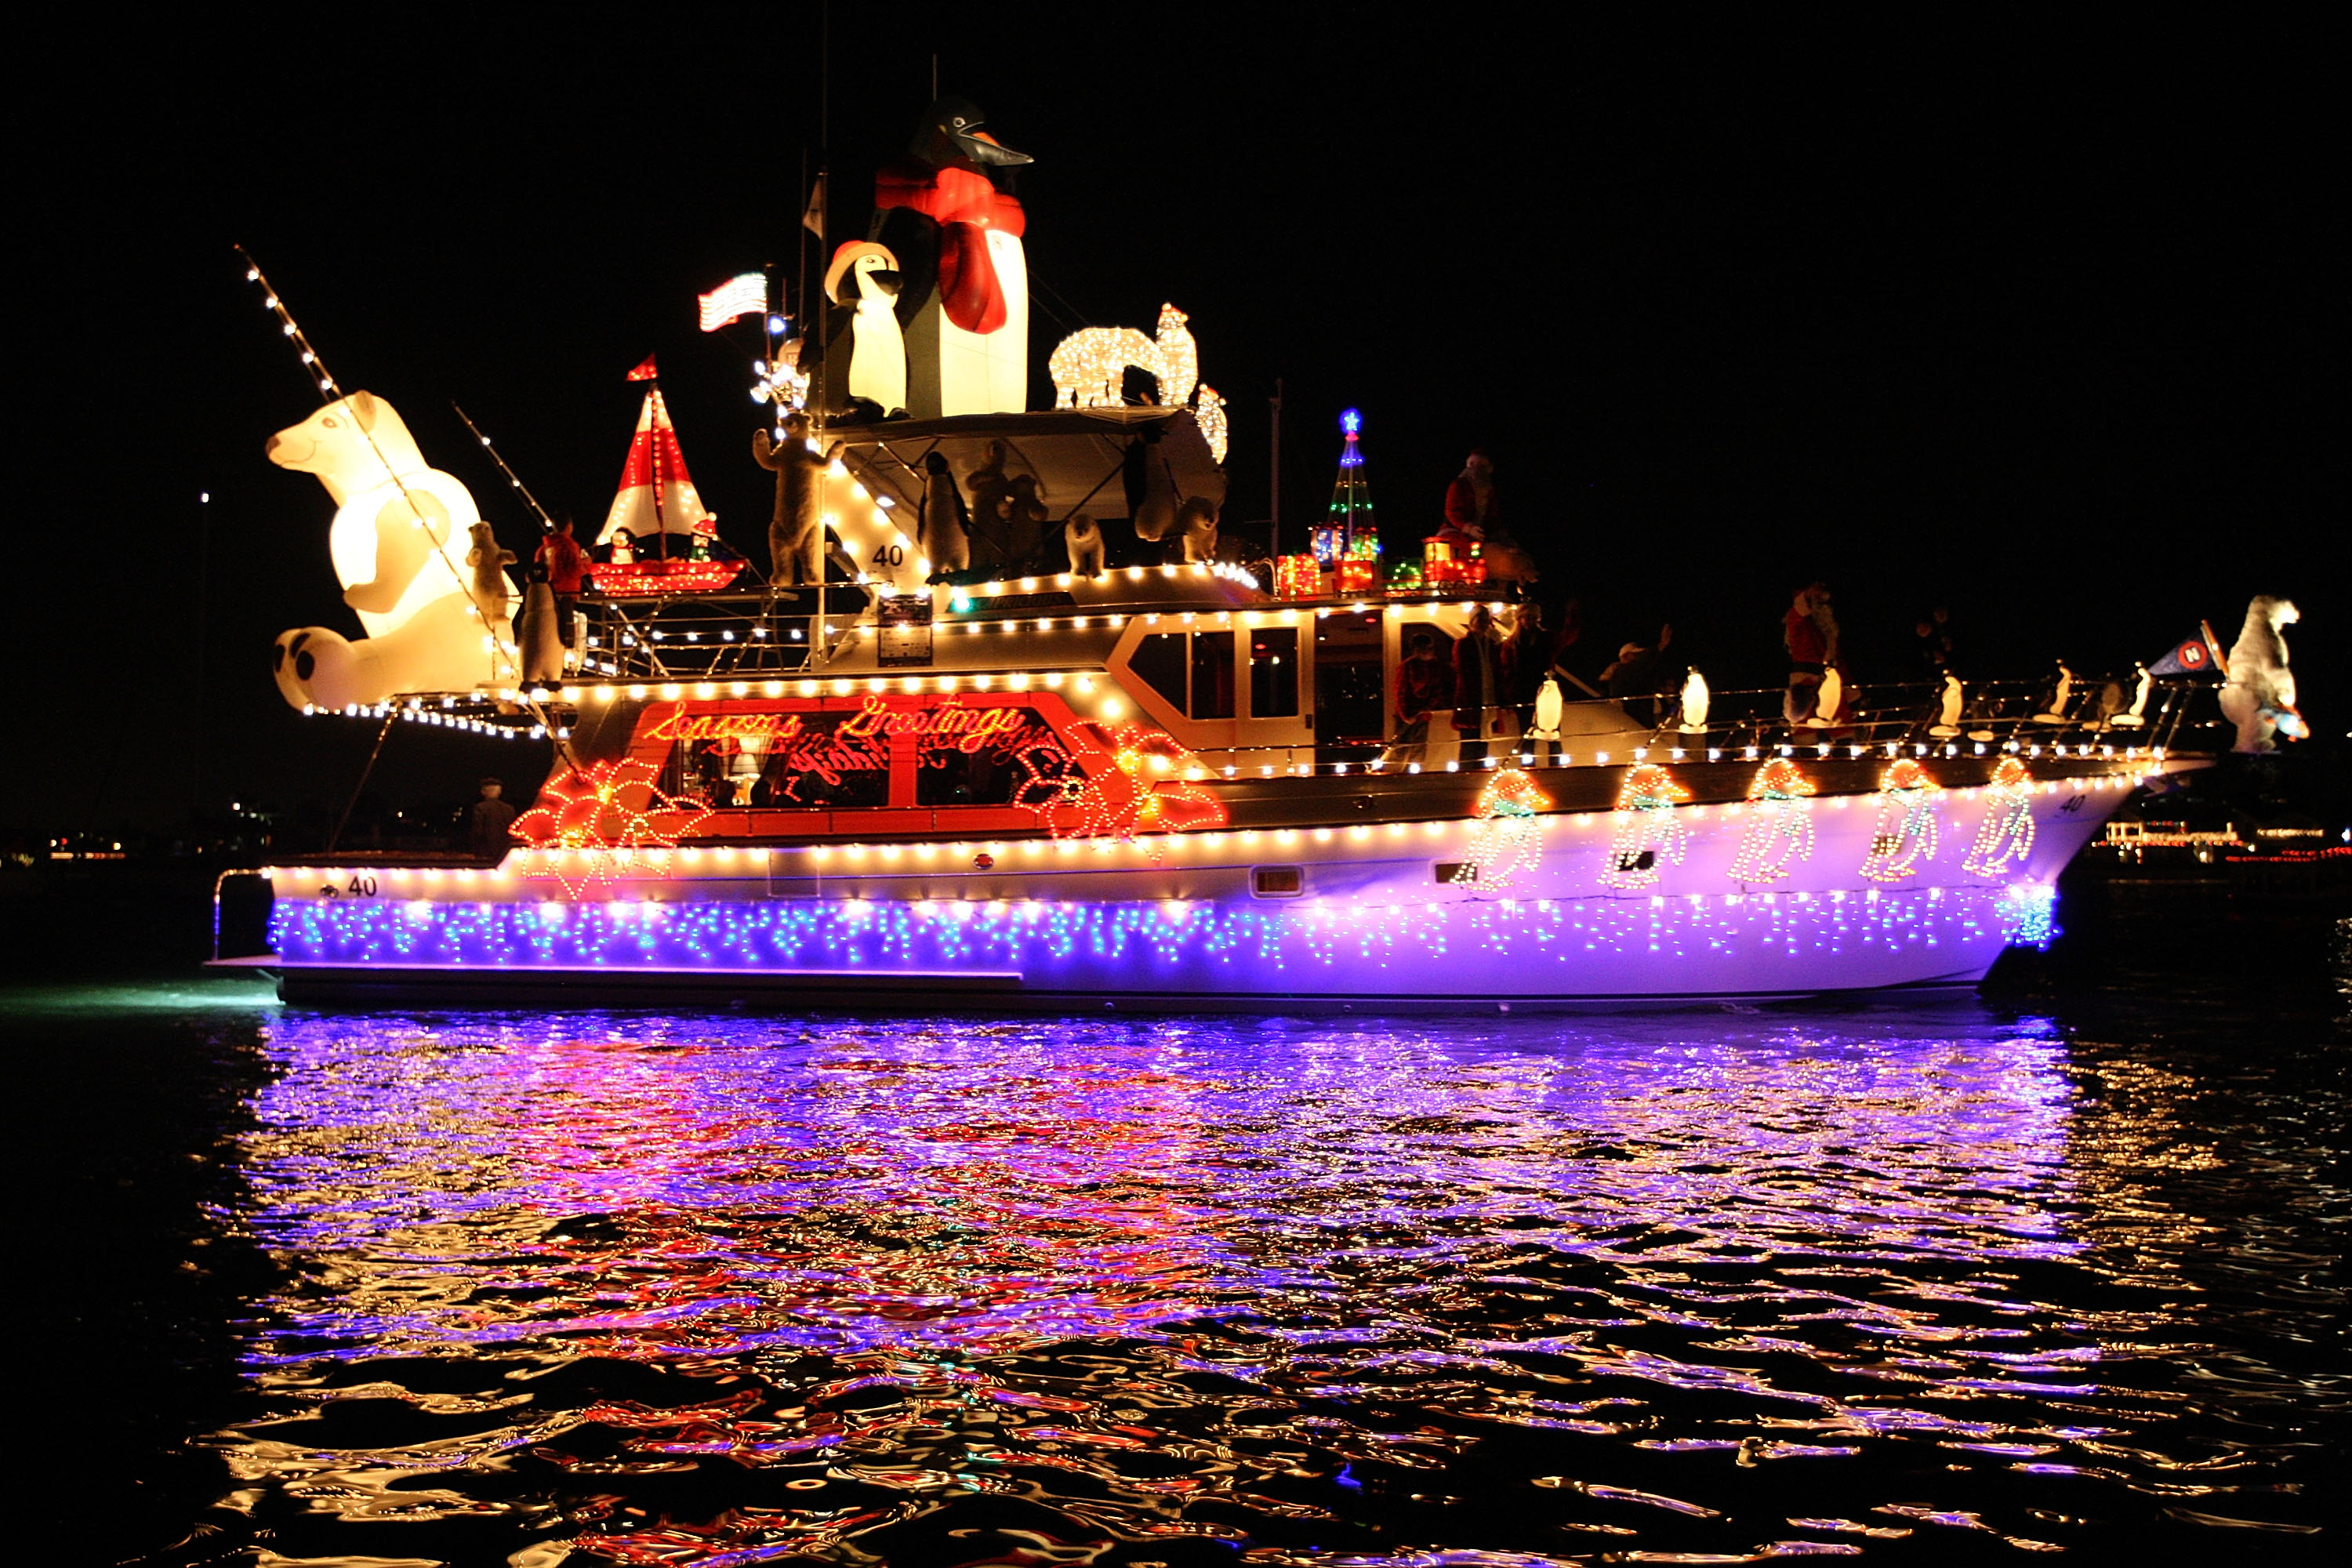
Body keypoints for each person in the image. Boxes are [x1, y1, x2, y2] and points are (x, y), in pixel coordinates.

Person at [1385, 630, 1456, 767]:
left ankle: (1414, 775)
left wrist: (1428, 707)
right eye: (1428, 648)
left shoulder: (1435, 666)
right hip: (1407, 716)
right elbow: (1400, 691)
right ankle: (1399, 775)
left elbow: (1437, 688)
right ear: (1417, 650)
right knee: (1401, 749)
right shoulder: (1407, 667)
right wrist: (1405, 715)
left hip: (1423, 715)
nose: (1431, 651)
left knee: (1418, 749)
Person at [1453, 605, 1507, 761]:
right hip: (1470, 701)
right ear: (1472, 622)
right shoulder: (1462, 644)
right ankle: (1466, 776)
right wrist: (1473, 699)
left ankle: (1480, 773)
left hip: (1488, 700)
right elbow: (1463, 673)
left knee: (1483, 744)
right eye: (1480, 620)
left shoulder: (1491, 644)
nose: (1483, 624)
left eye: (1486, 621)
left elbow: (1497, 671)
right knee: (1469, 744)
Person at [1784, 583, 1833, 721]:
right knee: (1798, 712)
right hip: (1807, 671)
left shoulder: (1813, 621)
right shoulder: (1797, 618)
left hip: (1811, 670)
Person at [535, 517, 590, 642]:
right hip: (567, 592)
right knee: (566, 630)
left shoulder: (544, 548)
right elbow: (573, 569)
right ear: (569, 526)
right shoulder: (569, 545)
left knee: (549, 627)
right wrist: (587, 564)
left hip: (547, 592)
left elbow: (538, 569)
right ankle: (567, 649)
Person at [470, 777, 517, 862]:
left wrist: (475, 851)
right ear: (500, 792)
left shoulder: (480, 808)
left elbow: (478, 832)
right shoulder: (510, 809)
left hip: (486, 853)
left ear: (483, 792)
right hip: (505, 852)